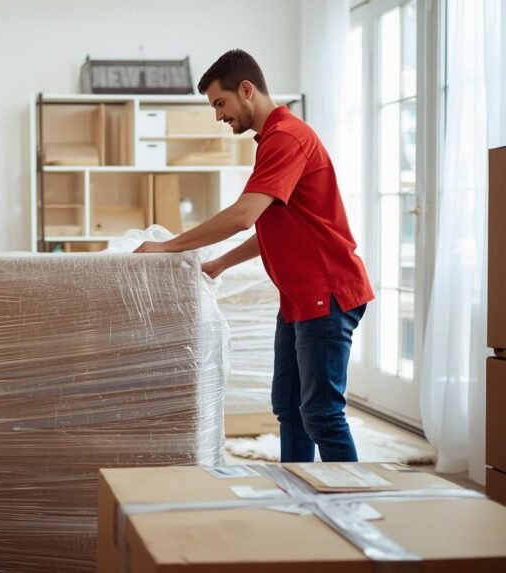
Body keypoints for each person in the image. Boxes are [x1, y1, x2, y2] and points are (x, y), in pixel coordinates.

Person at [135, 49, 374, 463]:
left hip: (326, 295)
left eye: (220, 103)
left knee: (320, 414)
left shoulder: (287, 138)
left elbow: (244, 216)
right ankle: (298, 496)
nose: (218, 116)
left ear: (246, 90)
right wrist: (220, 263)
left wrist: (168, 245)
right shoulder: (274, 141)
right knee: (289, 410)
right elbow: (274, 227)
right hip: (300, 299)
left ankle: (353, 511)